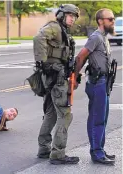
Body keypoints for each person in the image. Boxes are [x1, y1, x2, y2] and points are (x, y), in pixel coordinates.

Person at [33, 4, 80, 165]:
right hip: (56, 77)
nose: (72, 19)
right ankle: (58, 153)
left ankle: (44, 149)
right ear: (61, 15)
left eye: (74, 16)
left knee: (51, 114)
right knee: (65, 115)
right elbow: (38, 38)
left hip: (56, 76)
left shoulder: (63, 31)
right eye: (70, 15)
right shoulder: (54, 27)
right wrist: (43, 63)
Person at [73, 8, 116, 165]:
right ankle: (96, 153)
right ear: (100, 21)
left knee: (102, 118)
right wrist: (75, 78)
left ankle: (100, 149)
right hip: (97, 82)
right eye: (110, 19)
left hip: (103, 82)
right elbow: (80, 57)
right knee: (97, 119)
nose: (113, 21)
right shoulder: (96, 37)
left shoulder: (104, 38)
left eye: (113, 19)